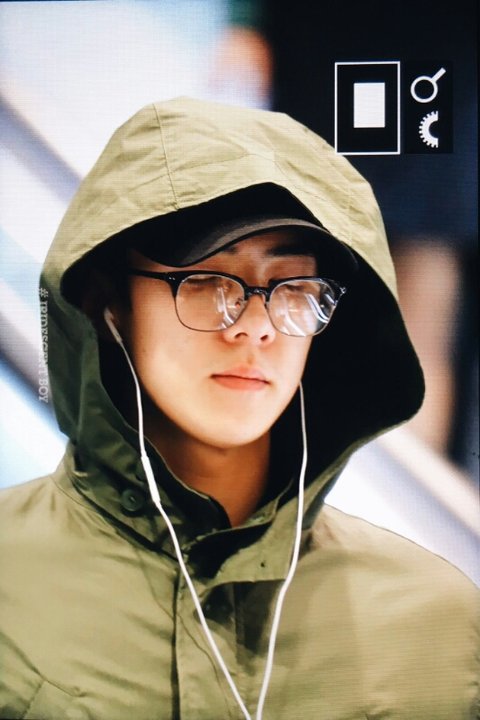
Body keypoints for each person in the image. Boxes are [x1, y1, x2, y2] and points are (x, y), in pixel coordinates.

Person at [0, 97, 478, 720]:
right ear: (104, 300)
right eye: (206, 282)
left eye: (294, 288)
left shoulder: (436, 629)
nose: (256, 326)